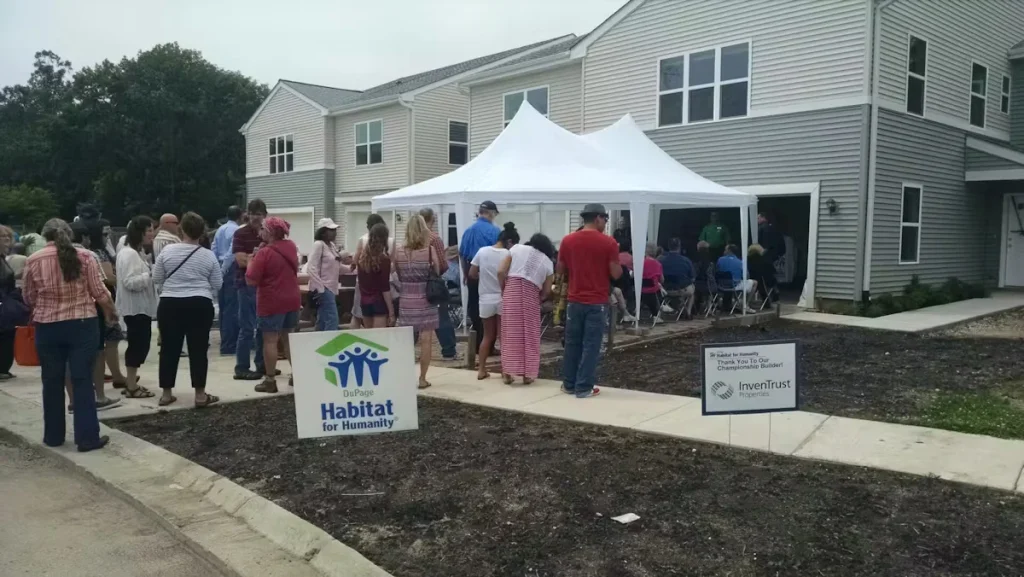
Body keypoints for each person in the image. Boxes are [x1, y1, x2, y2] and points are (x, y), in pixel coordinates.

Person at [23, 218, 115, 452]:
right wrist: (110, 313)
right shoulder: (85, 257)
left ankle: (53, 436)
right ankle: (87, 438)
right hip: (82, 324)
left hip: (48, 326)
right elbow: (99, 292)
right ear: (70, 234)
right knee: (82, 379)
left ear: (45, 236)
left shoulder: (33, 260)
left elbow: (28, 297)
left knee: (51, 381)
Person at [153, 212, 222, 407]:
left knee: (168, 348)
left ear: (181, 229)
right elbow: (217, 283)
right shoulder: (208, 255)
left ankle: (166, 393)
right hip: (200, 303)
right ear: (202, 233)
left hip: (170, 303)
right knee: (198, 349)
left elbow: (157, 277)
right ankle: (200, 394)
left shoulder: (167, 252)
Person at [557, 204, 622, 399]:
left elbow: (560, 269)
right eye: (605, 219)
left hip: (574, 299)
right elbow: (615, 273)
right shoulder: (609, 243)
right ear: (598, 218)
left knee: (572, 343)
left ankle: (569, 384)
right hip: (596, 301)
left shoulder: (568, 240)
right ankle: (584, 387)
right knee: (591, 345)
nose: (606, 223)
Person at [70, 221, 120, 410]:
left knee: (69, 358)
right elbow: (99, 288)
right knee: (97, 353)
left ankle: (74, 400)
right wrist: (110, 309)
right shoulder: (88, 256)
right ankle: (99, 396)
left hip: (59, 317)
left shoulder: (47, 256)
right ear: (84, 237)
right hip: (89, 310)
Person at [246, 217, 301, 393]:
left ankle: (270, 380)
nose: (259, 231)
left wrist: (250, 261)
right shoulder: (291, 246)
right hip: (292, 299)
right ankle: (297, 376)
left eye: (262, 228)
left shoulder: (264, 253)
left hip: (271, 301)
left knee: (270, 341)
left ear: (269, 232)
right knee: (288, 338)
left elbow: (251, 279)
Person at [498, 233, 555, 384]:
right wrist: (540, 297)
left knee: (510, 333)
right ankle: (527, 374)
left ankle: (507, 373)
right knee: (529, 335)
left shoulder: (516, 249)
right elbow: (547, 291)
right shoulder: (548, 263)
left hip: (511, 292)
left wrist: (504, 288)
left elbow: (500, 271)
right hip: (531, 296)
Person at [394, 214, 441, 389]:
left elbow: (397, 273)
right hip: (425, 298)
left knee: (406, 341)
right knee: (426, 340)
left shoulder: (398, 251)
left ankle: (405, 376)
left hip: (406, 298)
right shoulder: (429, 250)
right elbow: (436, 269)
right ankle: (422, 378)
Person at [115, 215, 157, 399]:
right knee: (137, 346)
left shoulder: (133, 252)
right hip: (136, 308)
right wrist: (150, 274)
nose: (152, 234)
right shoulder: (129, 254)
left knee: (139, 345)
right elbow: (129, 282)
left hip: (138, 308)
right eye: (149, 230)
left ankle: (131, 383)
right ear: (139, 232)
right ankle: (131, 386)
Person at [85, 220, 129, 393]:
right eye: (104, 233)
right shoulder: (99, 254)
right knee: (110, 340)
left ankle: (112, 374)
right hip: (103, 301)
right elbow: (108, 278)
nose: (108, 236)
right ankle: (115, 375)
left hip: (94, 303)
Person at [470, 222, 517, 379]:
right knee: (504, 337)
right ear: (510, 242)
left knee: (487, 336)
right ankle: (506, 372)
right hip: (503, 297)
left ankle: (482, 369)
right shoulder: (508, 255)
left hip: (485, 298)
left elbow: (471, 273)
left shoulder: (482, 251)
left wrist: (483, 278)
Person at [233, 199, 268, 380]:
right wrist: (258, 260)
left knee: (263, 327)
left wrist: (253, 259)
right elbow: (240, 261)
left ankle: (262, 365)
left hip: (264, 286)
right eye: (253, 213)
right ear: (248, 214)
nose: (256, 217)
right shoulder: (240, 234)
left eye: (259, 213)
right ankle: (242, 367)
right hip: (245, 285)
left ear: (265, 215)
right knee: (247, 328)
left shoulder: (267, 234)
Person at [420, 208, 460, 361]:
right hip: (432, 282)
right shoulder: (434, 239)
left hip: (413, 283)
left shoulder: (410, 238)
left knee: (414, 318)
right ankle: (449, 351)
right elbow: (443, 264)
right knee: (441, 316)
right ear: (432, 220)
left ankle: (408, 348)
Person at [459, 201, 500, 344]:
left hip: (472, 272)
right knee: (492, 309)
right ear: (490, 213)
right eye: (494, 214)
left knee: (474, 305)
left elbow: (463, 255)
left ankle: (477, 342)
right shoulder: (495, 231)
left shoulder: (468, 231)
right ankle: (489, 343)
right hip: (490, 274)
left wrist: (466, 273)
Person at [352, 214, 395, 329]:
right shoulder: (384, 260)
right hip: (379, 302)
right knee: (380, 339)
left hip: (365, 302)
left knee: (370, 337)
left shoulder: (362, 260)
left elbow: (361, 283)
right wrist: (391, 311)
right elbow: (385, 288)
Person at [213, 205, 243, 354]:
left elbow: (214, 249)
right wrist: (224, 269)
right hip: (230, 268)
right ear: (240, 216)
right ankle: (229, 345)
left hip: (219, 265)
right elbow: (232, 252)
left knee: (223, 307)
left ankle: (225, 340)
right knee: (232, 308)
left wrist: (216, 269)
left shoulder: (220, 229)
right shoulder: (237, 230)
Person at [307, 218, 342, 331]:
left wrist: (351, 269)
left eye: (335, 230)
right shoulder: (318, 245)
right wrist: (321, 289)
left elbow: (336, 266)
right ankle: (331, 344)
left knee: (322, 320)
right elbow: (311, 267)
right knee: (332, 320)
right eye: (331, 230)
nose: (334, 232)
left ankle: (317, 343)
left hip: (331, 288)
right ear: (323, 232)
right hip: (324, 288)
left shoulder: (331, 246)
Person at [0, 226, 20, 380]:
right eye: (2, 236)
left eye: (8, 236)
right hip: (3, 302)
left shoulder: (4, 258)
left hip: (6, 302)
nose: (7, 239)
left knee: (7, 335)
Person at [659, 237, 696, 319]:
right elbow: (692, 277)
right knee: (691, 290)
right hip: (680, 290)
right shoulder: (686, 260)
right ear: (679, 247)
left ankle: (679, 309)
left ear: (668, 247)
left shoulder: (661, 260)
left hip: (665, 291)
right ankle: (688, 312)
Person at [717, 244, 757, 313]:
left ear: (729, 251)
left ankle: (732, 303)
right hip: (734, 285)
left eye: (725, 249)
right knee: (755, 282)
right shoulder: (740, 262)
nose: (724, 251)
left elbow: (717, 270)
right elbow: (746, 276)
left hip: (720, 285)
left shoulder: (720, 259)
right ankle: (746, 305)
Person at [640, 242, 666, 321]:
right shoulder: (657, 264)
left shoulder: (640, 263)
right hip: (652, 291)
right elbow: (662, 280)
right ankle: (662, 306)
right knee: (659, 286)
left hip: (639, 291)